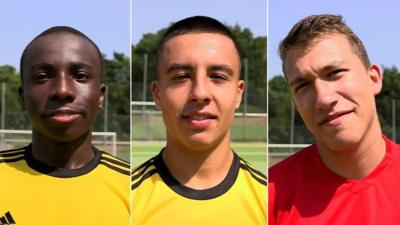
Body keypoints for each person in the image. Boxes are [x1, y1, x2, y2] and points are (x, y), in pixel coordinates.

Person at [132, 16, 267, 225]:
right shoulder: (124, 202)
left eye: (218, 76)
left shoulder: (272, 202)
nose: (200, 93)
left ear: (238, 93)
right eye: (181, 77)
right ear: (157, 94)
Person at [269, 14, 400, 224]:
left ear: (373, 79)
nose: (323, 98)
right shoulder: (267, 199)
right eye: (303, 86)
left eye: (335, 73)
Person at [0, 26, 130, 224]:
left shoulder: (136, 190)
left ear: (101, 97)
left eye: (81, 76)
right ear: (22, 97)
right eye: (42, 77)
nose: (62, 91)